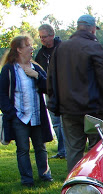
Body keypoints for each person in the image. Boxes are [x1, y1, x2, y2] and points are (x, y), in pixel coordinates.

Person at [47, 14, 103, 173]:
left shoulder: (60, 48)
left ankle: (76, 184)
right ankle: (96, 182)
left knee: (74, 151)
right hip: (94, 109)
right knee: (97, 149)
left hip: (69, 110)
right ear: (92, 29)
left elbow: (51, 79)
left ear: (78, 27)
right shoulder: (95, 47)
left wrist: (55, 105)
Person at [0, 35, 53, 187]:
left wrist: (36, 76)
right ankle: (27, 180)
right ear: (19, 49)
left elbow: (48, 87)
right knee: (22, 149)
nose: (32, 48)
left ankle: (45, 175)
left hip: (36, 116)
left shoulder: (35, 68)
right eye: (28, 45)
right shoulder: (9, 69)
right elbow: (2, 95)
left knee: (40, 147)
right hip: (19, 117)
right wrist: (11, 113)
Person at [35, 24, 66, 160]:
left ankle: (66, 150)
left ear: (52, 35)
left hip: (64, 91)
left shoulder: (63, 49)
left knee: (65, 122)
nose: (42, 40)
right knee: (56, 123)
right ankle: (61, 150)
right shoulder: (41, 54)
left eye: (44, 37)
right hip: (49, 92)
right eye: (40, 37)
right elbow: (36, 70)